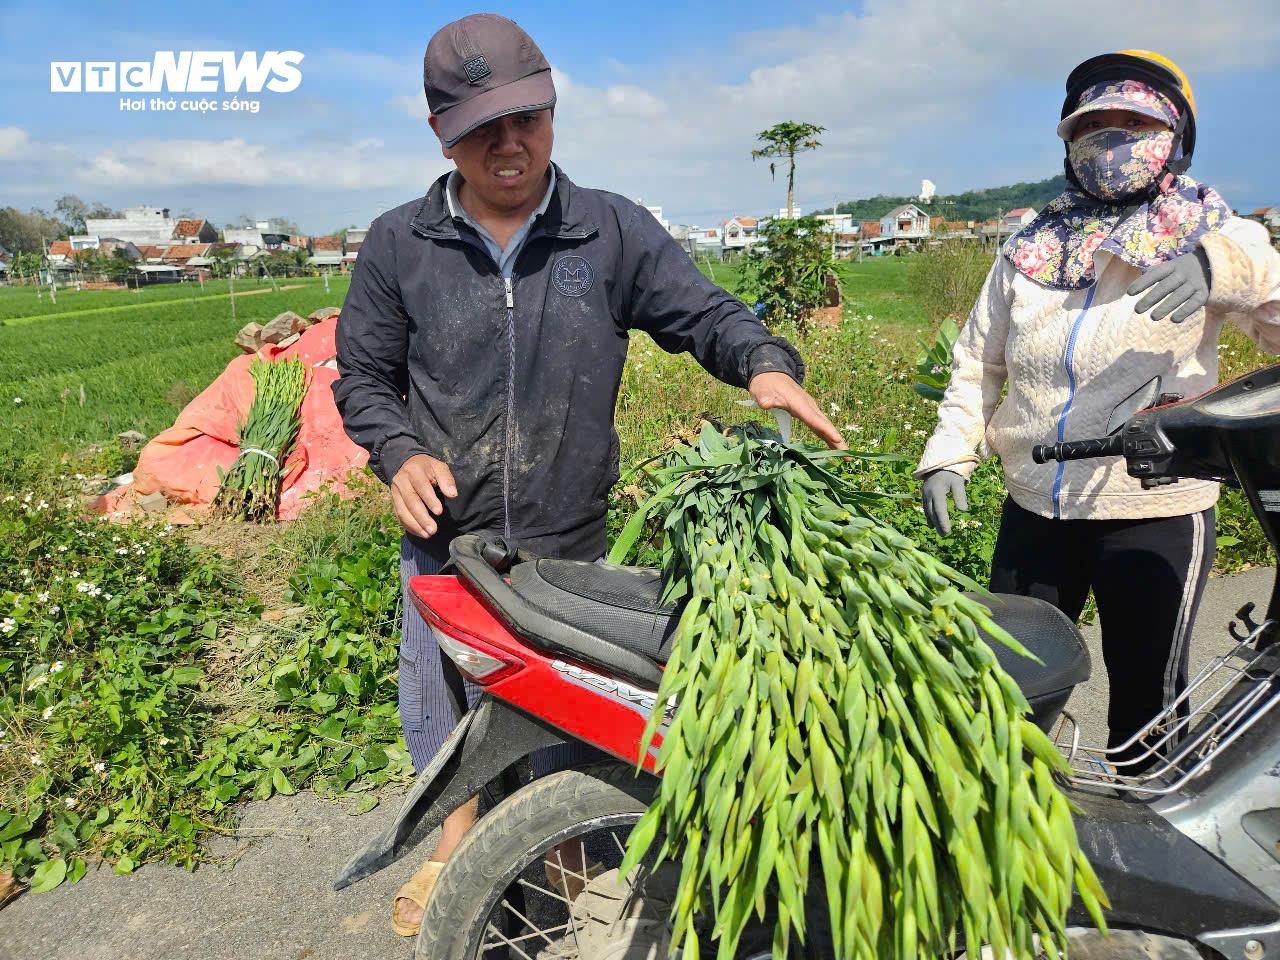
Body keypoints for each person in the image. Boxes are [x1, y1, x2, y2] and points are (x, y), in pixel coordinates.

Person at [332, 13, 846, 937]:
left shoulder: (606, 230)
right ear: (441, 132)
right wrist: (398, 453)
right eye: (482, 125)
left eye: (527, 116)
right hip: (445, 535)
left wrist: (763, 361)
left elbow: (704, 312)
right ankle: (458, 845)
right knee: (446, 698)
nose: (510, 142)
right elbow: (363, 378)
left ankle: (557, 849)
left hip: (567, 537)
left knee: (564, 706)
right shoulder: (398, 244)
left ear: (553, 109)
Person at [917, 50, 1280, 772]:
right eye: (1095, 125)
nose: (1111, 141)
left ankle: (1154, 868)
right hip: (1034, 509)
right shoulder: (1032, 244)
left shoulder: (1213, 231)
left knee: (1148, 708)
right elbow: (978, 362)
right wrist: (949, 454)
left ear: (1174, 134)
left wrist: (1223, 271)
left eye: (1134, 122)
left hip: (1155, 510)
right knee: (1010, 690)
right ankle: (1012, 843)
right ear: (1068, 140)